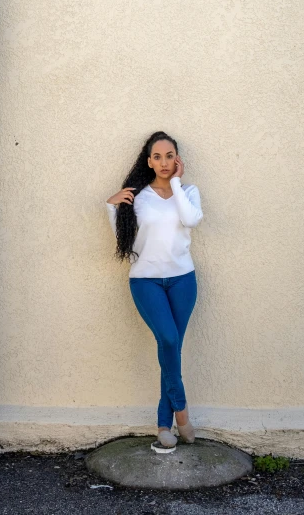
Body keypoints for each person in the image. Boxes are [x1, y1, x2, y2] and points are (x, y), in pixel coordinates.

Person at [105, 131, 203, 449]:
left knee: (171, 350)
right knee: (169, 340)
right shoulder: (139, 197)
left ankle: (164, 425)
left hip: (183, 280)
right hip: (146, 281)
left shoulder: (188, 192)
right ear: (149, 162)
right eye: (157, 157)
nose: (164, 162)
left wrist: (176, 183)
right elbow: (125, 240)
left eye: (169, 155)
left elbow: (191, 220)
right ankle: (183, 416)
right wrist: (111, 207)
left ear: (177, 160)